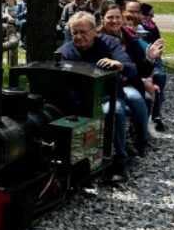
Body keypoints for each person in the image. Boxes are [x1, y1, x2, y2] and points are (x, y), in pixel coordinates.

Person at [58, 11, 137, 182]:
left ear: (95, 30)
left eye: (83, 32)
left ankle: (119, 163)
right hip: (78, 101)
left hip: (108, 97)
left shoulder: (110, 43)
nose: (78, 36)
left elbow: (132, 69)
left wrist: (119, 64)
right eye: (75, 33)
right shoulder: (65, 52)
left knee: (114, 111)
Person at [98, 2, 154, 158]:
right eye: (110, 17)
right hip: (108, 85)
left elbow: (143, 71)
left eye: (118, 17)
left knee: (136, 98)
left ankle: (141, 140)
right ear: (102, 19)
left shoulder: (130, 38)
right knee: (128, 102)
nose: (114, 21)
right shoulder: (96, 38)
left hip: (128, 82)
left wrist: (150, 58)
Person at [126, 0, 168, 131]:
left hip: (143, 69)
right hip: (128, 77)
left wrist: (151, 59)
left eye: (136, 12)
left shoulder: (147, 30)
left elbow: (150, 59)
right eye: (131, 12)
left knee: (158, 77)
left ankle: (154, 117)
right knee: (147, 89)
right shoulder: (122, 36)